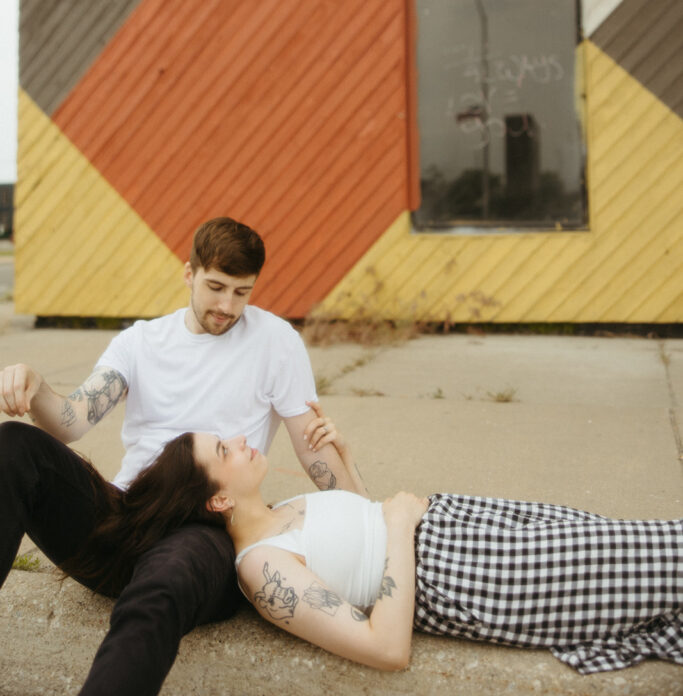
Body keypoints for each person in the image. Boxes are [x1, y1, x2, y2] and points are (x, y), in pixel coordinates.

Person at [0, 217, 365, 696]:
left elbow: (311, 448)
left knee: (162, 590)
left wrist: (363, 506)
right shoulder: (140, 343)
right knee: (13, 444)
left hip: (207, 531)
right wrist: (33, 382)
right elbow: (71, 422)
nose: (227, 306)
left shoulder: (277, 343)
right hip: (123, 516)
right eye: (215, 286)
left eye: (242, 292)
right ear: (188, 273)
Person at [66, 414, 683, 677]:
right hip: (477, 574)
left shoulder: (282, 511)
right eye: (222, 451)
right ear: (218, 501)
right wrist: (396, 526)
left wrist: (351, 465)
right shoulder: (262, 570)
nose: (238, 440)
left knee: (655, 546)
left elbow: (363, 529)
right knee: (669, 560)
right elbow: (385, 647)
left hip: (476, 525)